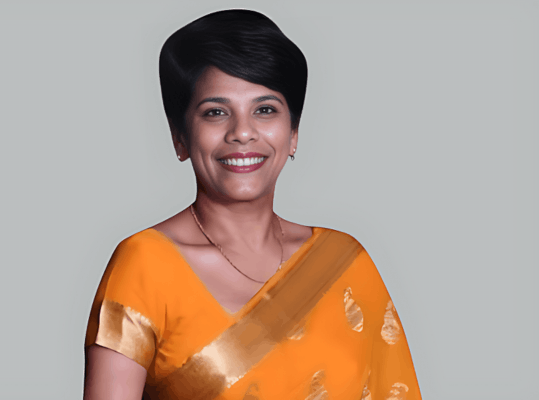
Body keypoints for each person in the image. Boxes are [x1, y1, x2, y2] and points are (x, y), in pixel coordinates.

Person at [83, 9, 422, 400]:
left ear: (293, 133)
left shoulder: (345, 262)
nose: (242, 132)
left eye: (265, 110)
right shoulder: (144, 265)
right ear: (180, 136)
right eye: (215, 112)